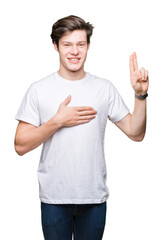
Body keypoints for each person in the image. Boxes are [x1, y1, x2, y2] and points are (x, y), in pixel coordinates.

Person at [14, 15, 149, 240]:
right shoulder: (39, 89)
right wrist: (57, 121)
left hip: (94, 200)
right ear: (55, 46)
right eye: (67, 44)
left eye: (80, 44)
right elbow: (20, 145)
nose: (74, 51)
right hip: (54, 200)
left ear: (88, 46)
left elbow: (136, 133)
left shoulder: (103, 88)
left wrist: (140, 95)